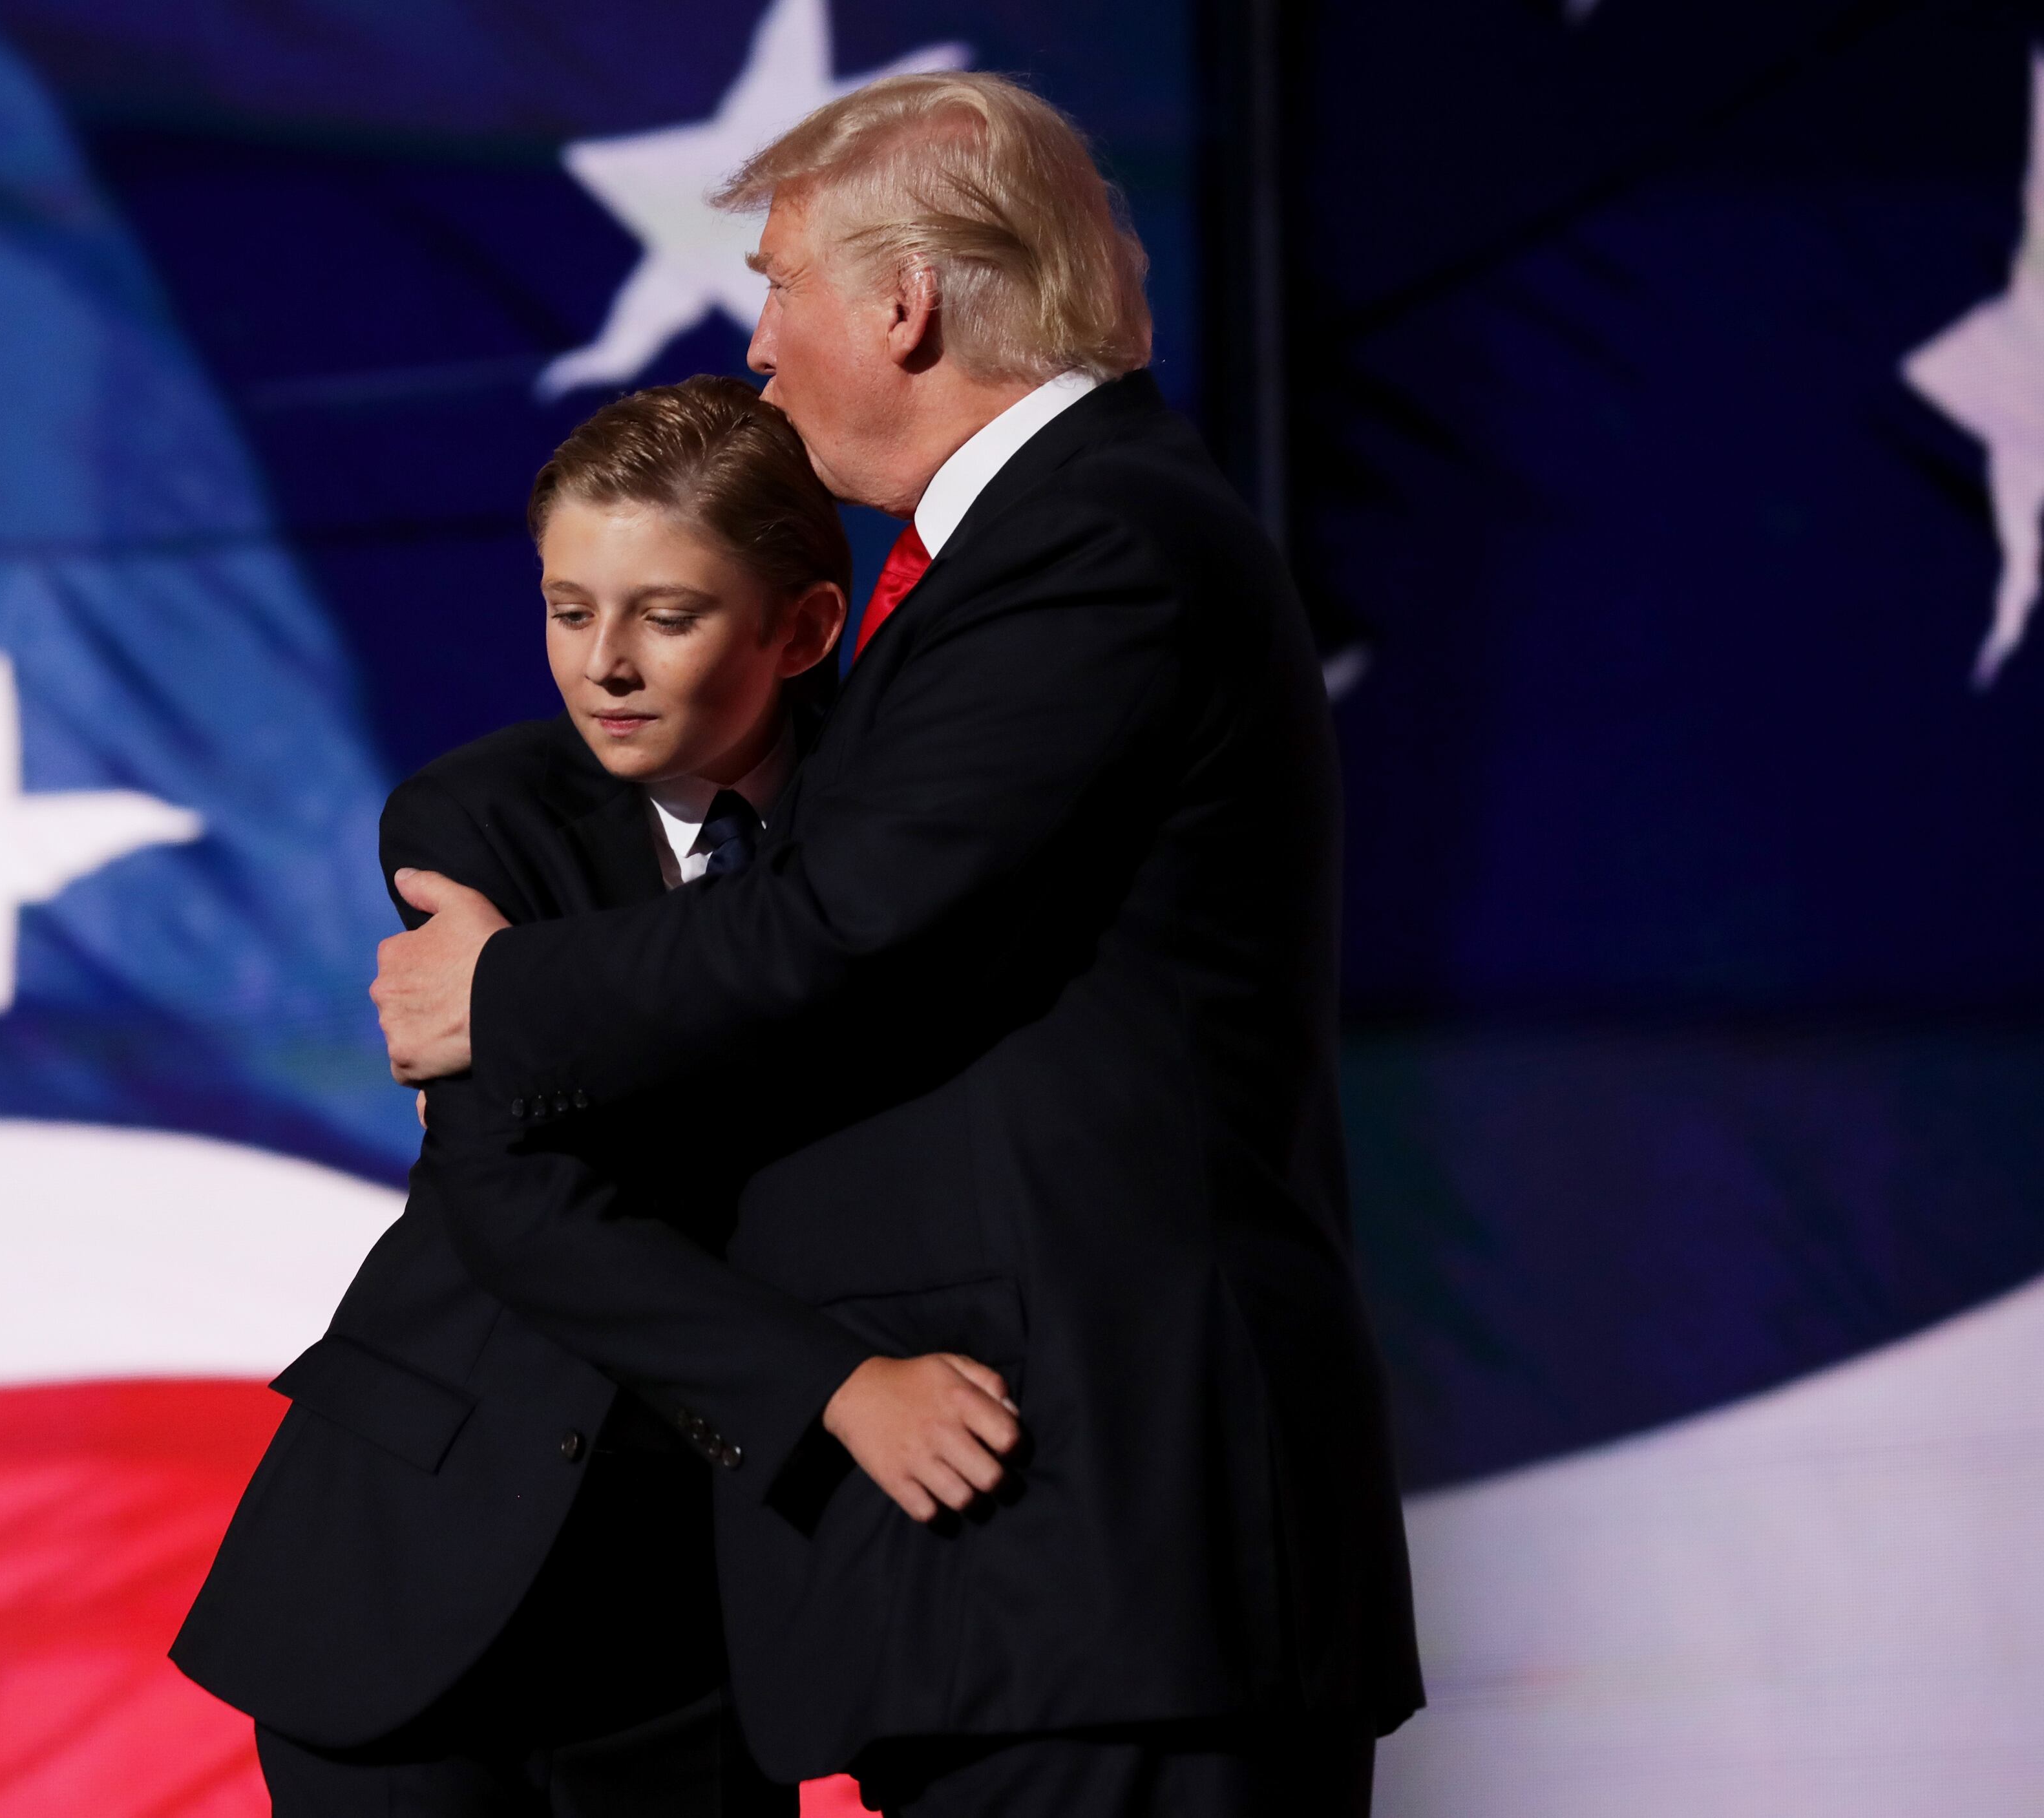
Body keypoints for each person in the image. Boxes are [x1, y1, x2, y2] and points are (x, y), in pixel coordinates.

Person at [370, 71, 1425, 1818]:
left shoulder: (1099, 544)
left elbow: (854, 923)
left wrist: (504, 992)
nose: (763, 349)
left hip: (1105, 1547)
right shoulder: (1034, 542)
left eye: (781, 287)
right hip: (1031, 1570)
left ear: (906, 302)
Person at [173, 374, 1020, 1816]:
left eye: (667, 616)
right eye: (571, 609)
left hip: (697, 1625)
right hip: (407, 1583)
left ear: (806, 628)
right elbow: (520, 1197)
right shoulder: (476, 816)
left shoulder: (890, 840)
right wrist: (836, 1389)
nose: (605, 666)